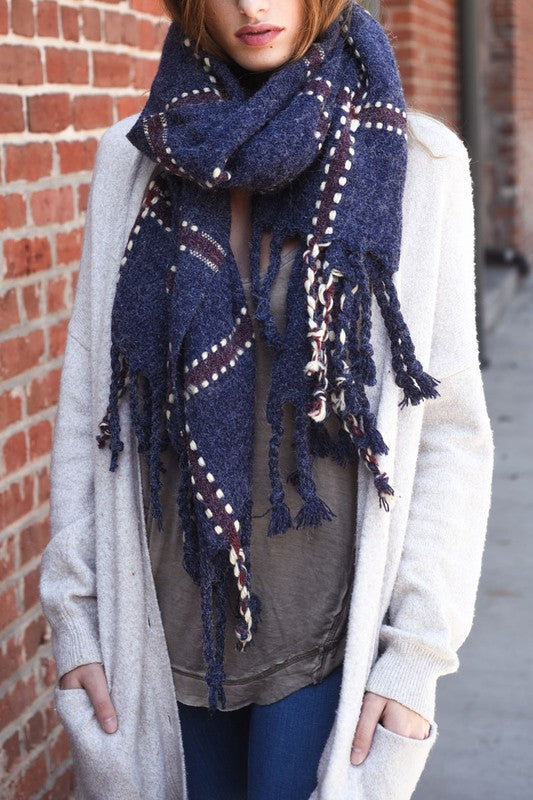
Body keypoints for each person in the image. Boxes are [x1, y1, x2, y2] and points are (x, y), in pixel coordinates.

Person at [38, 1, 494, 799]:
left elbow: (449, 430)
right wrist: (74, 619)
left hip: (326, 633)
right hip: (160, 628)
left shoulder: (416, 163)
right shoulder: (136, 158)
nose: (253, 6)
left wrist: (416, 655)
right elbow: (91, 403)